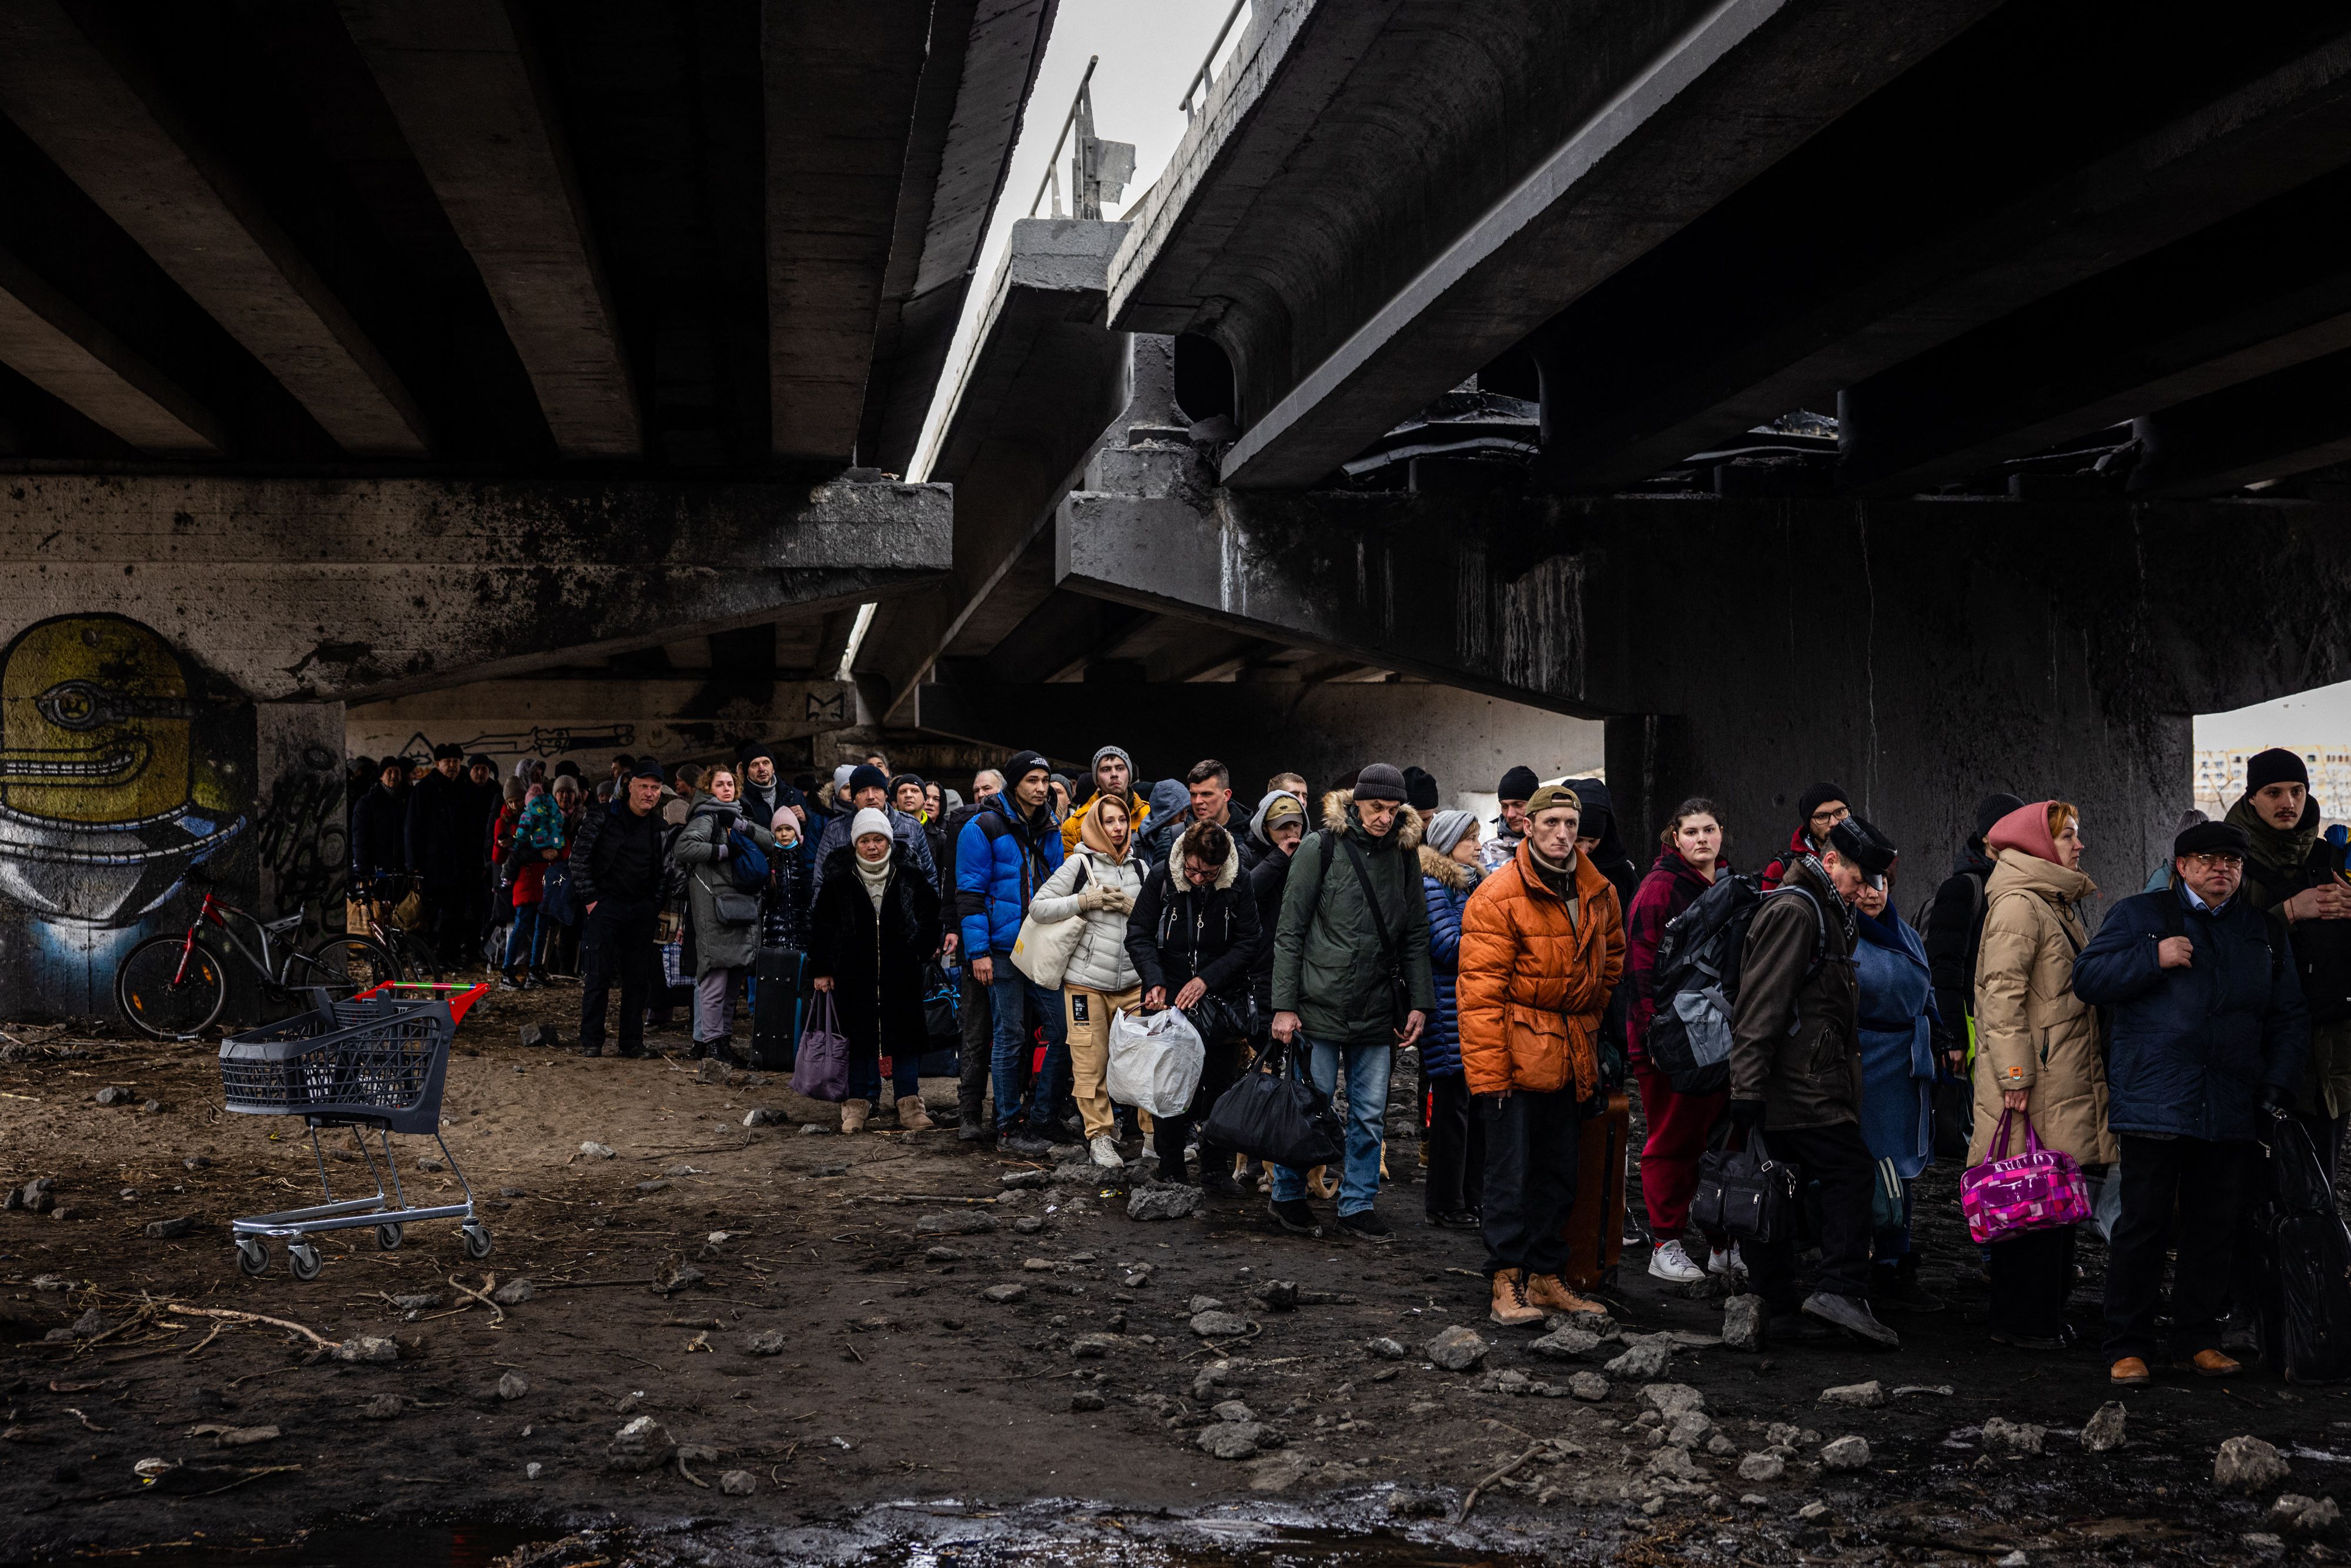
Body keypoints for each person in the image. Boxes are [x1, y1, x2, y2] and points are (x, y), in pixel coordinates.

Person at [2076, 818, 2310, 1385]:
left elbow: (2288, 1016)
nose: (2220, 870)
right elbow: (2089, 977)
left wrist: (2276, 1082)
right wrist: (2151, 958)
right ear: (2181, 866)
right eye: (2207, 860)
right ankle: (2128, 1345)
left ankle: (2196, 1339)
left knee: (2213, 1225)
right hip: (2156, 1098)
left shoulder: (2260, 931)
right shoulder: (2141, 915)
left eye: (2231, 862)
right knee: (2144, 1225)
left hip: (2230, 1100)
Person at [1727, 816, 1900, 1348]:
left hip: (1802, 1077)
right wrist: (1746, 1090)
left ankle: (1776, 1304)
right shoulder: (1797, 911)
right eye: (1858, 879)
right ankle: (1838, 1291)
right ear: (1830, 863)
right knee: (1848, 1172)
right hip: (1797, 1082)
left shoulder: (1824, 907)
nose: (1865, 891)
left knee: (1775, 1181)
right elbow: (1761, 1005)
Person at [1458, 783, 1623, 1324]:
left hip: (1572, 1049)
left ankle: (1547, 1277)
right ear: (1526, 827)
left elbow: (1612, 962)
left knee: (1559, 1171)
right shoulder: (1498, 894)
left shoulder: (1599, 890)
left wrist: (1590, 1023)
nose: (1562, 834)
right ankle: (1506, 1281)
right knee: (1510, 1173)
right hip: (1515, 1055)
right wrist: (1489, 1075)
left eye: (1570, 825)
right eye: (1550, 824)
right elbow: (1479, 994)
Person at [1968, 799, 2116, 1351]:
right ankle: (2023, 1322)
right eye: (2069, 836)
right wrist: (2014, 1076)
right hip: (2034, 1085)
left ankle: (2042, 1316)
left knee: (2050, 1199)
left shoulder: (2051, 902)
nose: (2079, 846)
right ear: (2036, 844)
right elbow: (1999, 998)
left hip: (2056, 1077)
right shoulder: (2019, 906)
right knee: (2025, 1199)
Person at [1267, 763, 1435, 1240]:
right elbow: (1290, 930)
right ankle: (1288, 1195)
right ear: (1356, 802)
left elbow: (1416, 935)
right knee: (1308, 1107)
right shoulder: (1321, 848)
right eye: (1376, 807)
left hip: (1377, 1008)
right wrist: (1284, 1006)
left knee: (1368, 1113)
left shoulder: (1405, 857)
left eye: (1391, 809)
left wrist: (1420, 1002)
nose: (1383, 817)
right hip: (1316, 1007)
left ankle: (1356, 1202)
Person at [1625, 798, 1737, 1283]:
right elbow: (1640, 967)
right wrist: (1653, 1034)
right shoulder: (1659, 890)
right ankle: (1665, 1243)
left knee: (1719, 1142)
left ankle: (1720, 1246)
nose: (1702, 840)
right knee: (1672, 1140)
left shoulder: (1729, 887)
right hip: (1670, 1040)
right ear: (1674, 837)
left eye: (1709, 830)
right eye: (1691, 832)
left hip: (1717, 1035)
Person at [2225, 748, 2351, 1173]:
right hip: (2256, 1045)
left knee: (2318, 1191)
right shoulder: (2225, 861)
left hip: (2329, 1056)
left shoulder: (2332, 858)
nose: (2288, 803)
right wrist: (2289, 913)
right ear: (2251, 798)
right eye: (2274, 792)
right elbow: (2216, 946)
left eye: (2297, 791)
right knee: (2253, 1189)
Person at [1128, 818, 1264, 1192]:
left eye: (1209, 872)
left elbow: (1249, 941)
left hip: (1219, 1000)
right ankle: (1171, 1167)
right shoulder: (1163, 877)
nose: (1200, 879)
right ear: (1184, 856)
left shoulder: (1239, 882)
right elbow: (1138, 933)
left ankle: (1215, 1170)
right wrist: (1154, 979)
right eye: (1193, 870)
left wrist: (1208, 979)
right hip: (1169, 997)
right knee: (1169, 1086)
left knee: (1218, 1086)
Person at [960, 751, 1070, 1154]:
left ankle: (1042, 1117)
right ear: (1014, 783)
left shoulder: (1050, 827)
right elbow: (969, 896)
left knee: (1062, 1030)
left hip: (1040, 947)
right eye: (1032, 780)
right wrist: (978, 952)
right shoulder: (982, 827)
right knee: (1010, 1036)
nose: (1041, 788)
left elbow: (1058, 887)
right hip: (1002, 950)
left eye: (1045, 780)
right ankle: (1008, 1126)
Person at [1029, 794, 1147, 1168]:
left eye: (1122, 821)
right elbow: (1039, 907)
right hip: (1084, 983)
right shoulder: (1078, 863)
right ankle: (1099, 1136)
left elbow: (1160, 921)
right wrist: (1085, 900)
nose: (1116, 828)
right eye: (1109, 821)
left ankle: (1153, 1136)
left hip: (1133, 983)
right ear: (1096, 825)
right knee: (1088, 1061)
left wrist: (1135, 908)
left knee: (1143, 1061)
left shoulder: (1142, 869)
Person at [809, 808, 944, 1134]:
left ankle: (909, 1105)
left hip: (902, 973)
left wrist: (917, 950)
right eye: (866, 840)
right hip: (854, 974)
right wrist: (824, 968)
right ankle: (857, 1105)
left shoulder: (909, 875)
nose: (873, 846)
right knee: (858, 1038)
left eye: (879, 839)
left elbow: (931, 916)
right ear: (856, 844)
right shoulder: (839, 880)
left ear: (889, 841)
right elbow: (822, 926)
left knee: (906, 1040)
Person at [1852, 862, 1943, 1312]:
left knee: (1900, 1168)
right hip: (1861, 1063)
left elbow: (1926, 990)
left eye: (1880, 884)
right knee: (1860, 1166)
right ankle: (1854, 1265)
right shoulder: (1839, 932)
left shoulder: (1905, 933)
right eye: (1864, 884)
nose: (1872, 894)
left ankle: (1892, 1263)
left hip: (1904, 1067)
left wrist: (1940, 1031)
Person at [669, 765, 780, 1065]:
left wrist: (742, 827)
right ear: (708, 788)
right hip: (715, 909)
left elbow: (771, 842)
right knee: (715, 979)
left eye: (731, 784)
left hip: (738, 907)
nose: (727, 789)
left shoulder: (738, 817)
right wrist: (722, 851)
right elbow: (684, 847)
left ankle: (724, 1041)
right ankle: (714, 1043)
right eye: (720, 785)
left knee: (732, 978)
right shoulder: (706, 817)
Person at [1923, 792, 2027, 1086]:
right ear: (1985, 836)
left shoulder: (2019, 885)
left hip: (2003, 1028)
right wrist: (1953, 1037)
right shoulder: (1963, 888)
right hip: (1971, 1029)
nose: (2013, 833)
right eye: (2005, 825)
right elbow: (1943, 968)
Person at [572, 763, 668, 1059]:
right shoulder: (603, 816)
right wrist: (592, 900)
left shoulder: (659, 827)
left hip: (641, 908)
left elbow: (665, 871)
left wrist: (654, 904)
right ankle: (591, 1041)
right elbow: (579, 859)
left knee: (638, 979)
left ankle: (631, 1042)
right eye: (644, 786)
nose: (649, 794)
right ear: (630, 786)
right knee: (598, 975)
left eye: (655, 788)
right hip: (606, 905)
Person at [1419, 808, 1485, 1228]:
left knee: (1473, 1109)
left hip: (1470, 1009)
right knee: (1451, 1112)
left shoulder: (1471, 882)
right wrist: (1495, 943)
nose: (1478, 846)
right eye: (1470, 839)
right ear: (1448, 846)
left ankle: (1469, 1199)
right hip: (1448, 1011)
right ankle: (1445, 1203)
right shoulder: (1434, 884)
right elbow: (1447, 945)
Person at [942, 769, 1006, 1142]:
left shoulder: (1019, 824)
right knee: (976, 1030)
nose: (982, 794)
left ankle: (1005, 1111)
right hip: (975, 943)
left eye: (988, 787)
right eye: (977, 788)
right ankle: (969, 1112)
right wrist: (953, 928)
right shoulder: (963, 823)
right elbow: (955, 884)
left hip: (1013, 944)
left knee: (1010, 1034)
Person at [405, 743, 484, 970]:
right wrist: (414, 866)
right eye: (447, 762)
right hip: (432, 865)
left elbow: (475, 828)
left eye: (456, 762)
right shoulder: (424, 790)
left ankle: (448, 956)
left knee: (455, 914)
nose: (452, 766)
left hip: (460, 865)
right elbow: (413, 829)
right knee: (426, 916)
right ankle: (422, 959)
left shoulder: (466, 789)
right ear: (437, 764)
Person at [812, 764, 940, 904]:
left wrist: (929, 921)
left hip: (903, 919)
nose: (871, 797)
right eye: (862, 791)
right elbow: (821, 881)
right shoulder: (836, 830)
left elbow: (929, 877)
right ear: (854, 798)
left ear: (886, 794)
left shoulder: (911, 826)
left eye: (877, 789)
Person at [500, 782, 567, 989]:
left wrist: (505, 878)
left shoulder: (527, 820)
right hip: (544, 880)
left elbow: (517, 852)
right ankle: (534, 969)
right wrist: (554, 851)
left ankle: (509, 970)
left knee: (522, 927)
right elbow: (563, 842)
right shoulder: (555, 814)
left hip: (528, 882)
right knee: (541, 929)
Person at [1061, 745, 1153, 856]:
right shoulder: (1075, 825)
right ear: (1097, 780)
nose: (1114, 774)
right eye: (1106, 770)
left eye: (1120, 768)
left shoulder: (1150, 815)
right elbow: (1071, 870)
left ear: (1129, 776)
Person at [1761, 782, 1850, 890]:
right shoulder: (1780, 870)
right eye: (1822, 816)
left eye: (1840, 812)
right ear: (1808, 824)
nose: (1834, 823)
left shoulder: (1868, 858)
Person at [1178, 760, 1259, 873]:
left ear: (1226, 795)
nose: (1197, 801)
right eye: (1193, 794)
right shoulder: (1175, 834)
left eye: (1206, 794)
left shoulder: (1251, 835)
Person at [349, 756, 409, 893]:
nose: (394, 776)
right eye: (390, 772)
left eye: (397, 772)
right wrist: (364, 870)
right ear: (381, 776)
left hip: (403, 870)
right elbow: (360, 838)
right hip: (378, 870)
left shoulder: (409, 800)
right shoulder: (367, 803)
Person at [762, 806, 811, 956]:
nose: (784, 834)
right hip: (775, 939)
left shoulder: (805, 859)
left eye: (789, 829)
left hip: (805, 937)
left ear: (796, 831)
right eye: (779, 830)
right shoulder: (768, 861)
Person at [1479, 766, 1539, 876]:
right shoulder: (1490, 850)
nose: (1510, 815)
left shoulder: (1551, 844)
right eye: (1504, 806)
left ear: (1535, 804)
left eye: (1518, 805)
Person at [1140, 777, 1195, 865]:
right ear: (1163, 815)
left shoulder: (1196, 839)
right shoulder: (1136, 845)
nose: (1184, 817)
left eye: (1186, 811)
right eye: (1178, 812)